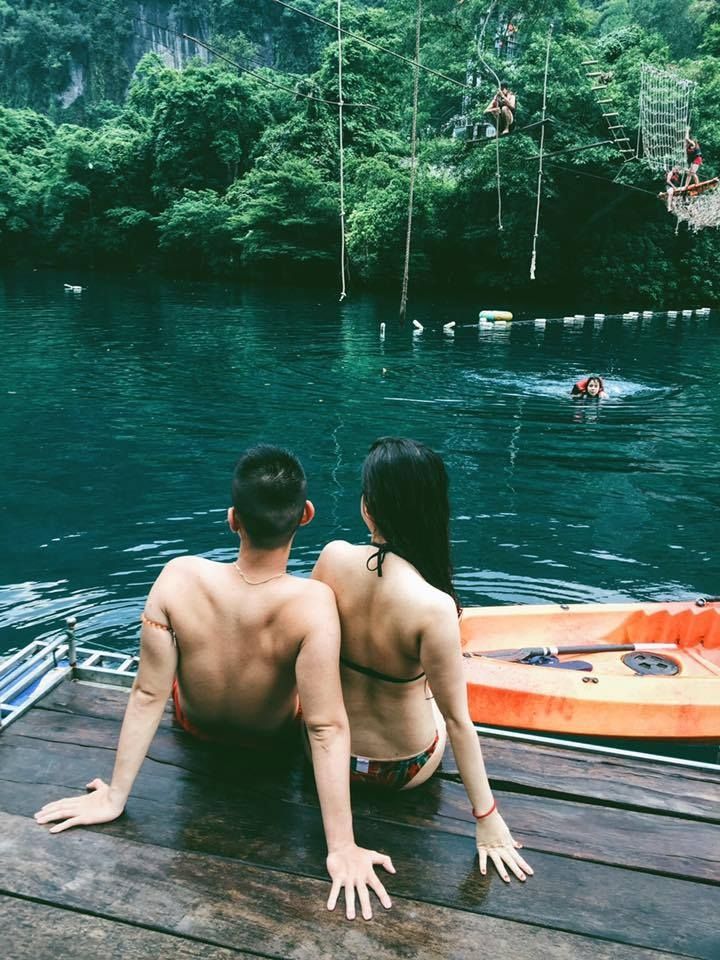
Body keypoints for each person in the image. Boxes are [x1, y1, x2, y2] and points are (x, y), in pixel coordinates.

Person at [34, 445, 395, 921]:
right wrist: (342, 846)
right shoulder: (313, 603)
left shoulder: (178, 577)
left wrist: (116, 795)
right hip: (269, 740)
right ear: (306, 515)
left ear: (233, 519)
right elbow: (325, 727)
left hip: (194, 724)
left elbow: (148, 693)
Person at [312, 438, 533, 884]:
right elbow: (459, 723)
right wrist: (487, 817)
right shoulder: (434, 606)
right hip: (401, 770)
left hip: (330, 759)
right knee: (435, 698)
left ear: (368, 508)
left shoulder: (332, 558)